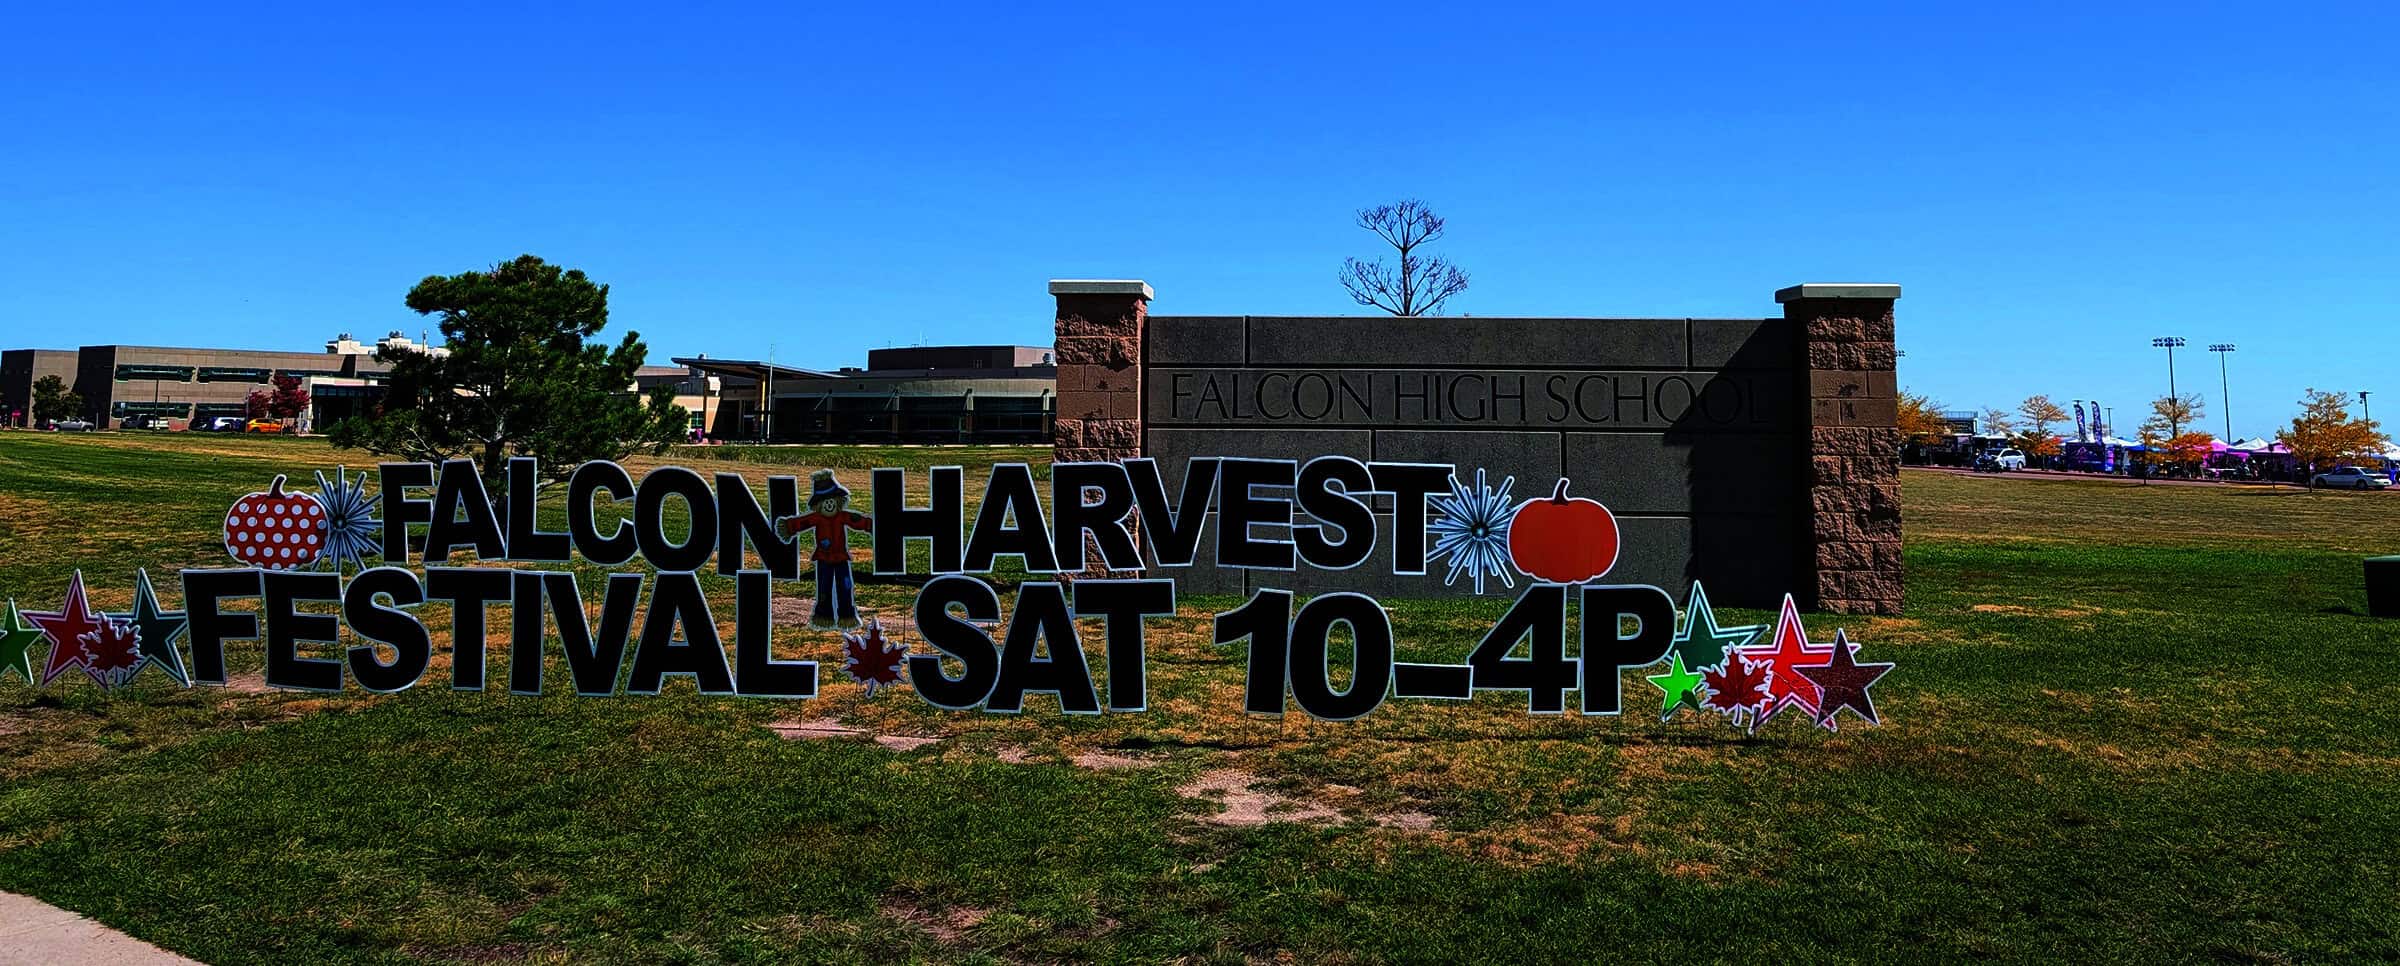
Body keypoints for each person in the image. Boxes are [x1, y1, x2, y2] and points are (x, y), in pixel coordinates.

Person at [778, 470, 873, 629]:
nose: (829, 505)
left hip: (841, 558)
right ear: (819, 505)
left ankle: (847, 615)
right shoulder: (816, 518)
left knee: (845, 586)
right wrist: (789, 527)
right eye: (825, 502)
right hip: (823, 558)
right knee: (824, 587)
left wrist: (870, 525)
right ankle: (823, 615)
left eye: (831, 501)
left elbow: (856, 521)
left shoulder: (842, 516)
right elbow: (803, 522)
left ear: (838, 501)